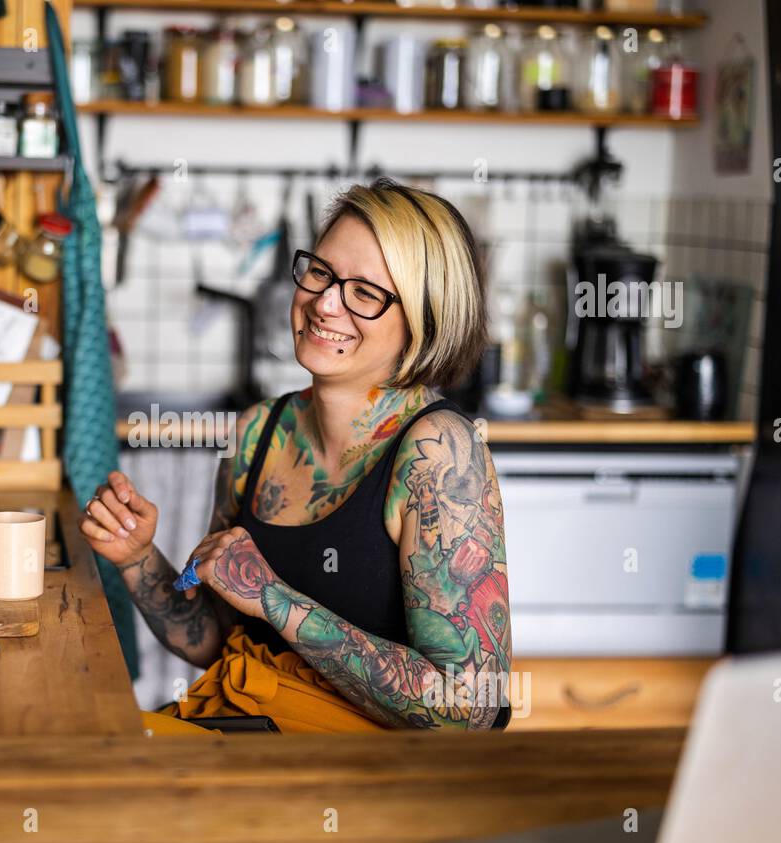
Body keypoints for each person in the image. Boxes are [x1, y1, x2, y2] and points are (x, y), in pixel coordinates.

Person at [80, 179, 512, 731]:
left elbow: (469, 708)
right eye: (320, 272)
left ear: (424, 318)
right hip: (256, 734)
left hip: (374, 783)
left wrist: (277, 600)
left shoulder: (439, 455)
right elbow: (215, 641)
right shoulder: (258, 433)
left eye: (365, 293)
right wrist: (137, 557)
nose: (325, 303)